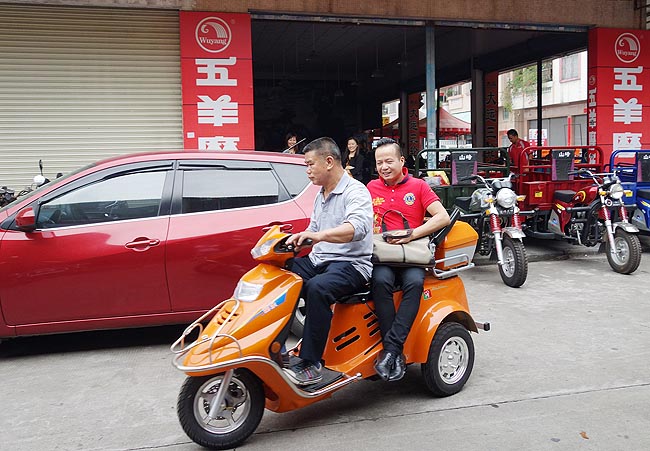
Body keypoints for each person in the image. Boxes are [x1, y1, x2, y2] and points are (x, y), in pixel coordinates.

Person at [284, 137, 374, 386]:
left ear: (329, 162)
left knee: (317, 288)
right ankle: (274, 347)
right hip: (319, 259)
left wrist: (319, 236)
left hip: (351, 265)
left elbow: (357, 228)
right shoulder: (320, 194)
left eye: (310, 164)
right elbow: (314, 229)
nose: (307, 170)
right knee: (280, 276)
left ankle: (312, 363)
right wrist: (299, 240)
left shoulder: (356, 191)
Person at [366, 138, 450, 382]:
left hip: (411, 254)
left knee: (414, 283)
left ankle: (390, 350)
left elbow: (442, 217)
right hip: (383, 253)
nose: (384, 166)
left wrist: (412, 234)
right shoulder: (370, 187)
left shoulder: (419, 186)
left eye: (389, 161)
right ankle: (394, 351)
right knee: (380, 281)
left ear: (402, 161)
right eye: (379, 162)